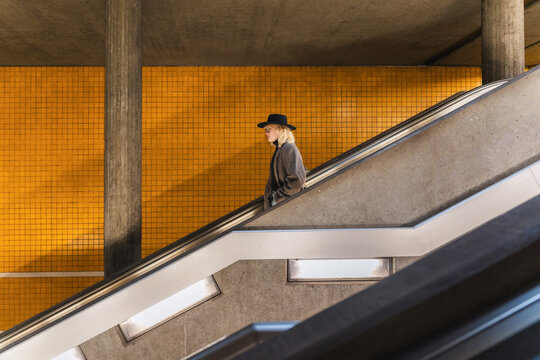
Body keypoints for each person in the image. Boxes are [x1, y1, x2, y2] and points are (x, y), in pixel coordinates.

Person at [257, 114, 306, 209]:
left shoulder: (289, 148)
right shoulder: (281, 149)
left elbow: (297, 180)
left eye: (269, 129)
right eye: (265, 130)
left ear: (280, 130)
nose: (266, 133)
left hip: (285, 206)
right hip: (282, 205)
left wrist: (277, 198)